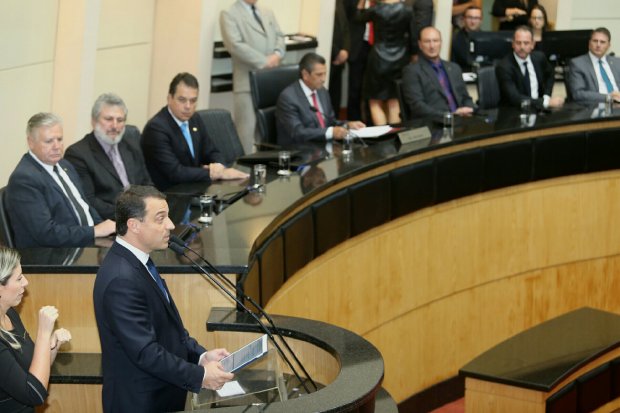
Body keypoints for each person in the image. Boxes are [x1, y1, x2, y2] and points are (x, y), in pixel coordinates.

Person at [93, 185, 234, 413]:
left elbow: (169, 331)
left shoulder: (139, 262)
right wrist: (200, 376)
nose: (170, 225)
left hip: (162, 396)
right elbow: (146, 352)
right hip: (141, 403)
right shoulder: (121, 279)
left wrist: (200, 356)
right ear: (134, 225)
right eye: (160, 219)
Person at [5, 113, 116, 248]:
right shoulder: (24, 179)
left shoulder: (64, 165)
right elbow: (46, 234)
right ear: (30, 143)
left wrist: (106, 231)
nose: (57, 146)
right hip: (53, 255)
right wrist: (94, 231)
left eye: (60, 139)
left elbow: (85, 207)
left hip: (86, 243)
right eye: (49, 141)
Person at [141, 73, 248, 191]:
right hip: (168, 196)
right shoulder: (156, 129)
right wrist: (216, 173)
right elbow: (175, 173)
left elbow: (211, 151)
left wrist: (218, 165)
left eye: (193, 101)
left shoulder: (194, 119)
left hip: (194, 189)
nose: (188, 106)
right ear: (169, 98)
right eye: (182, 100)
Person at [0, 247, 71, 413]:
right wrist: (43, 334)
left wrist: (49, 348)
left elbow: (32, 372)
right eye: (18, 279)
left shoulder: (10, 314)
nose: (26, 282)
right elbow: (34, 394)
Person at [65, 93, 152, 220]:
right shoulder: (77, 154)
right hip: (113, 223)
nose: (115, 126)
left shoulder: (131, 142)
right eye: (109, 119)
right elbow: (90, 202)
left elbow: (146, 183)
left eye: (120, 120)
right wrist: (131, 215)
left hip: (142, 218)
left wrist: (153, 208)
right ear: (94, 121)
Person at [220, 0, 285, 153]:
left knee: (267, 132)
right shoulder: (229, 13)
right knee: (246, 134)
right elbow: (235, 45)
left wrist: (277, 54)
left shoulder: (266, 10)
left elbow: (280, 36)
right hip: (246, 83)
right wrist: (264, 62)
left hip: (269, 81)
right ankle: (244, 174)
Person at [276, 52, 365, 146]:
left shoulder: (322, 92)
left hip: (323, 147)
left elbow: (330, 121)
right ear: (305, 74)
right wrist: (331, 132)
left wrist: (347, 125)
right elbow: (298, 132)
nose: (323, 79)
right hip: (299, 151)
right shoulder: (288, 98)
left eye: (324, 74)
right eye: (319, 75)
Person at [356, 0, 415, 125]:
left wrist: (361, 3)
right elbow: (413, 36)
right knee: (394, 100)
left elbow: (358, 17)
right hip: (400, 57)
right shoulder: (407, 9)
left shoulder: (376, 9)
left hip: (379, 57)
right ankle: (393, 136)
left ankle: (383, 137)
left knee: (375, 101)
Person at [401, 26, 475, 119]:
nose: (432, 46)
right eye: (427, 41)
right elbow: (418, 107)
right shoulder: (411, 71)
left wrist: (470, 108)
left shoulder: (454, 68)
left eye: (435, 41)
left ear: (440, 43)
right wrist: (450, 116)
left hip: (461, 122)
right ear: (420, 45)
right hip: (433, 124)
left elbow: (465, 97)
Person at [495, 25, 564, 110]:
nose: (522, 47)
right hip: (513, 113)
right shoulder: (504, 67)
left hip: (538, 110)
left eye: (526, 43)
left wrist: (547, 95)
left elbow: (550, 74)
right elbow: (514, 98)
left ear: (533, 44)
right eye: (518, 43)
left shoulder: (539, 58)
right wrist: (545, 102)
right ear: (513, 44)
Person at [567, 27, 620, 104]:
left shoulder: (617, 62)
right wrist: (609, 97)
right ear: (589, 43)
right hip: (597, 105)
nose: (598, 45)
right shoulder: (578, 63)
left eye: (602, 42)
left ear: (608, 45)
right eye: (595, 41)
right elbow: (578, 93)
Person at [328, 0, 350, 113]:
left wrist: (346, 50)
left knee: (336, 97)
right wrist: (336, 53)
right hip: (329, 57)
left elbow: (346, 27)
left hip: (341, 59)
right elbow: (324, 31)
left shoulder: (339, 2)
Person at [451, 6, 483, 72]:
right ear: (464, 19)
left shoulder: (486, 38)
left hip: (482, 75)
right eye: (470, 17)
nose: (473, 21)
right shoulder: (455, 39)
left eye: (476, 18)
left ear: (481, 20)